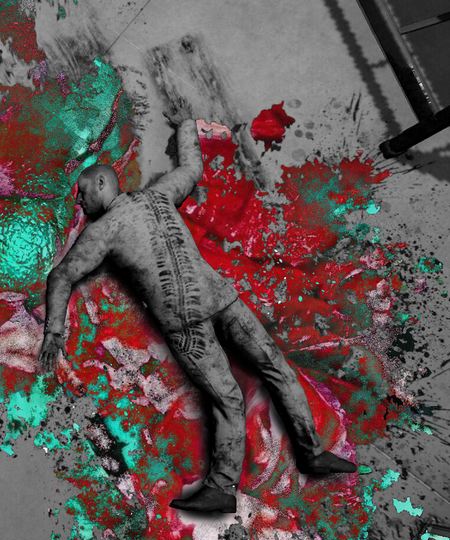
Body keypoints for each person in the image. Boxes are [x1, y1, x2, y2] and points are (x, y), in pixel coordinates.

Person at [39, 98, 356, 514]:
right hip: (218, 297)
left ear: (102, 183)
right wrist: (186, 125)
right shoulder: (158, 196)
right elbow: (191, 168)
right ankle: (310, 453)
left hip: (189, 319)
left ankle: (229, 485)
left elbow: (60, 276)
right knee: (273, 369)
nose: (79, 202)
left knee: (231, 397)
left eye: (82, 192)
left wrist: (53, 332)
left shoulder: (105, 231)